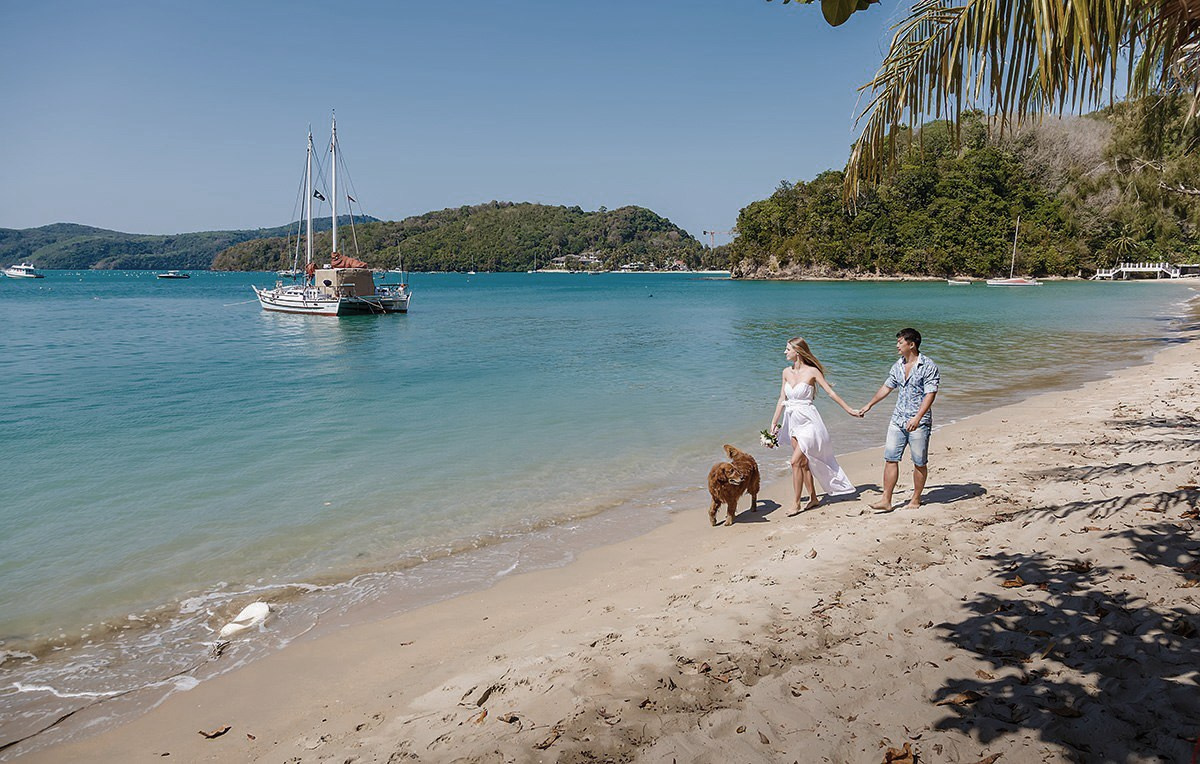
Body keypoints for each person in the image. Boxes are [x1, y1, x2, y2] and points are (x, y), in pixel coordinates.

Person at [768, 337, 860, 516]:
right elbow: (782, 398)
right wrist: (773, 422)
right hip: (792, 421)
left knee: (794, 462)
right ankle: (813, 498)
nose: (785, 352)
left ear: (798, 351)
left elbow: (830, 392)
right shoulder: (786, 372)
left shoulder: (812, 372)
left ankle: (795, 503)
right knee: (803, 463)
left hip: (809, 421)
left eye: (787, 349)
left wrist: (849, 409)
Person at [857, 328, 940, 512]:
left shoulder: (928, 366)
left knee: (919, 462)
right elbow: (887, 387)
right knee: (890, 458)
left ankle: (916, 499)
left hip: (919, 421)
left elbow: (930, 394)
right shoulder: (898, 365)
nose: (897, 346)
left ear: (911, 344)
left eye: (900, 342)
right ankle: (886, 500)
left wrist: (917, 417)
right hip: (898, 419)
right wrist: (869, 405)